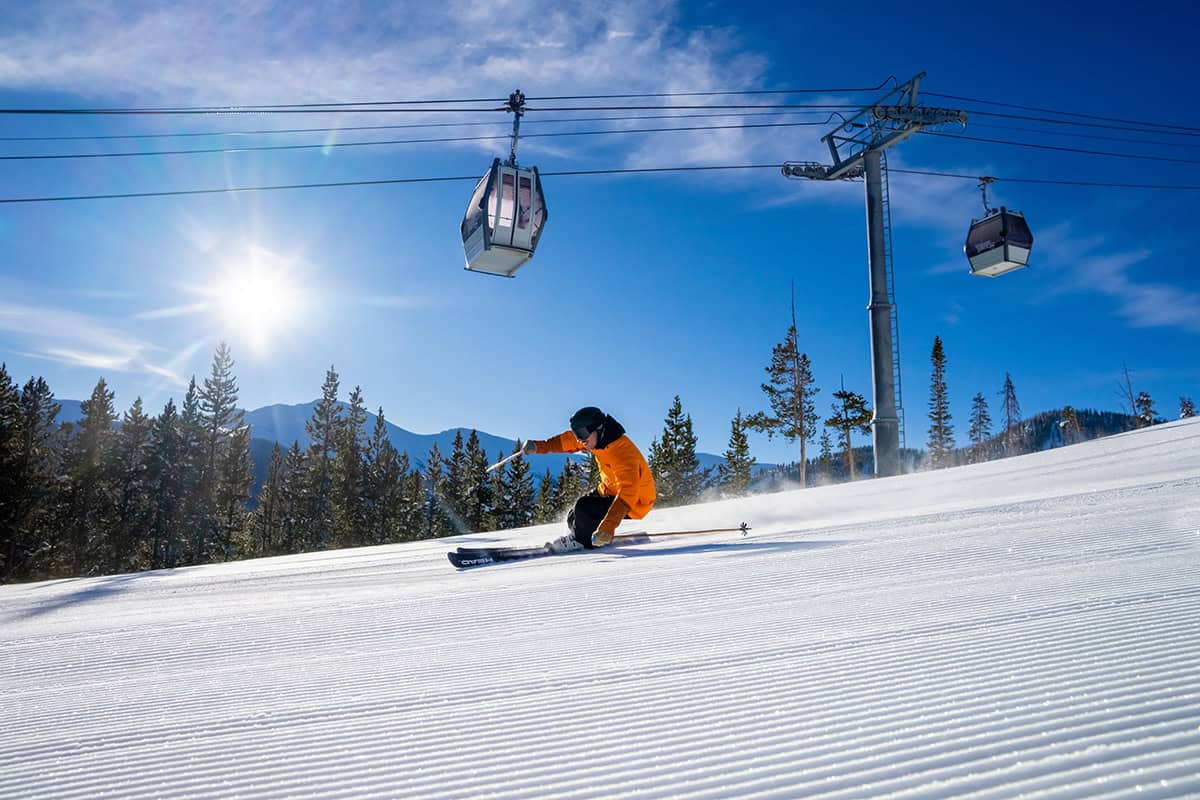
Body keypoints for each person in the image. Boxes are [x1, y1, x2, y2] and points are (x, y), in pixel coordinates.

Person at [523, 406, 656, 552]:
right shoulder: (595, 439)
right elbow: (566, 441)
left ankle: (582, 541)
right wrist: (537, 446)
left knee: (584, 508)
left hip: (636, 500)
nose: (580, 439)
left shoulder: (622, 453)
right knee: (573, 515)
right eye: (577, 434)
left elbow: (628, 492)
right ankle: (582, 535)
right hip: (610, 489)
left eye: (583, 434)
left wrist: (608, 527)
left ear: (599, 429)